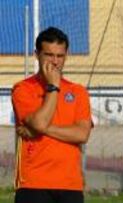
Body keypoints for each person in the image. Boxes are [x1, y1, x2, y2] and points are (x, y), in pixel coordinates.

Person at [11, 27, 92, 203]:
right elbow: (39, 122)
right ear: (37, 54)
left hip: (70, 185)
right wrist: (53, 87)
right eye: (48, 55)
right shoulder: (23, 89)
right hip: (33, 183)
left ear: (66, 55)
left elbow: (82, 134)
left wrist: (42, 129)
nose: (55, 61)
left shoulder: (78, 92)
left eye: (60, 56)